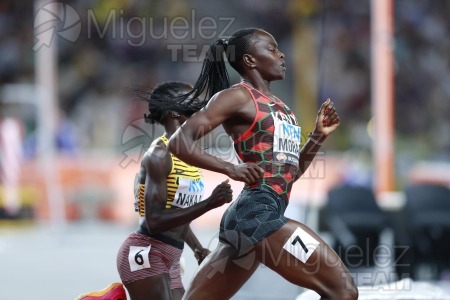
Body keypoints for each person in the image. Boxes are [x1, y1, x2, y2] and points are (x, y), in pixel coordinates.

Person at [167, 28, 359, 300]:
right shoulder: (237, 97)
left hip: (252, 220)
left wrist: (317, 137)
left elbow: (288, 175)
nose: (281, 54)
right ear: (249, 60)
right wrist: (230, 168)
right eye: (271, 49)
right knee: (344, 291)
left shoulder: (282, 108)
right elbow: (179, 142)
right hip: (257, 215)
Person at [77, 81, 233, 300]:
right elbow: (155, 220)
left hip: (172, 254)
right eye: (192, 103)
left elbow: (176, 212)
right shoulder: (160, 155)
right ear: (173, 113)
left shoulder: (189, 156)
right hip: (146, 251)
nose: (199, 109)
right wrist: (208, 203)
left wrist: (197, 248)